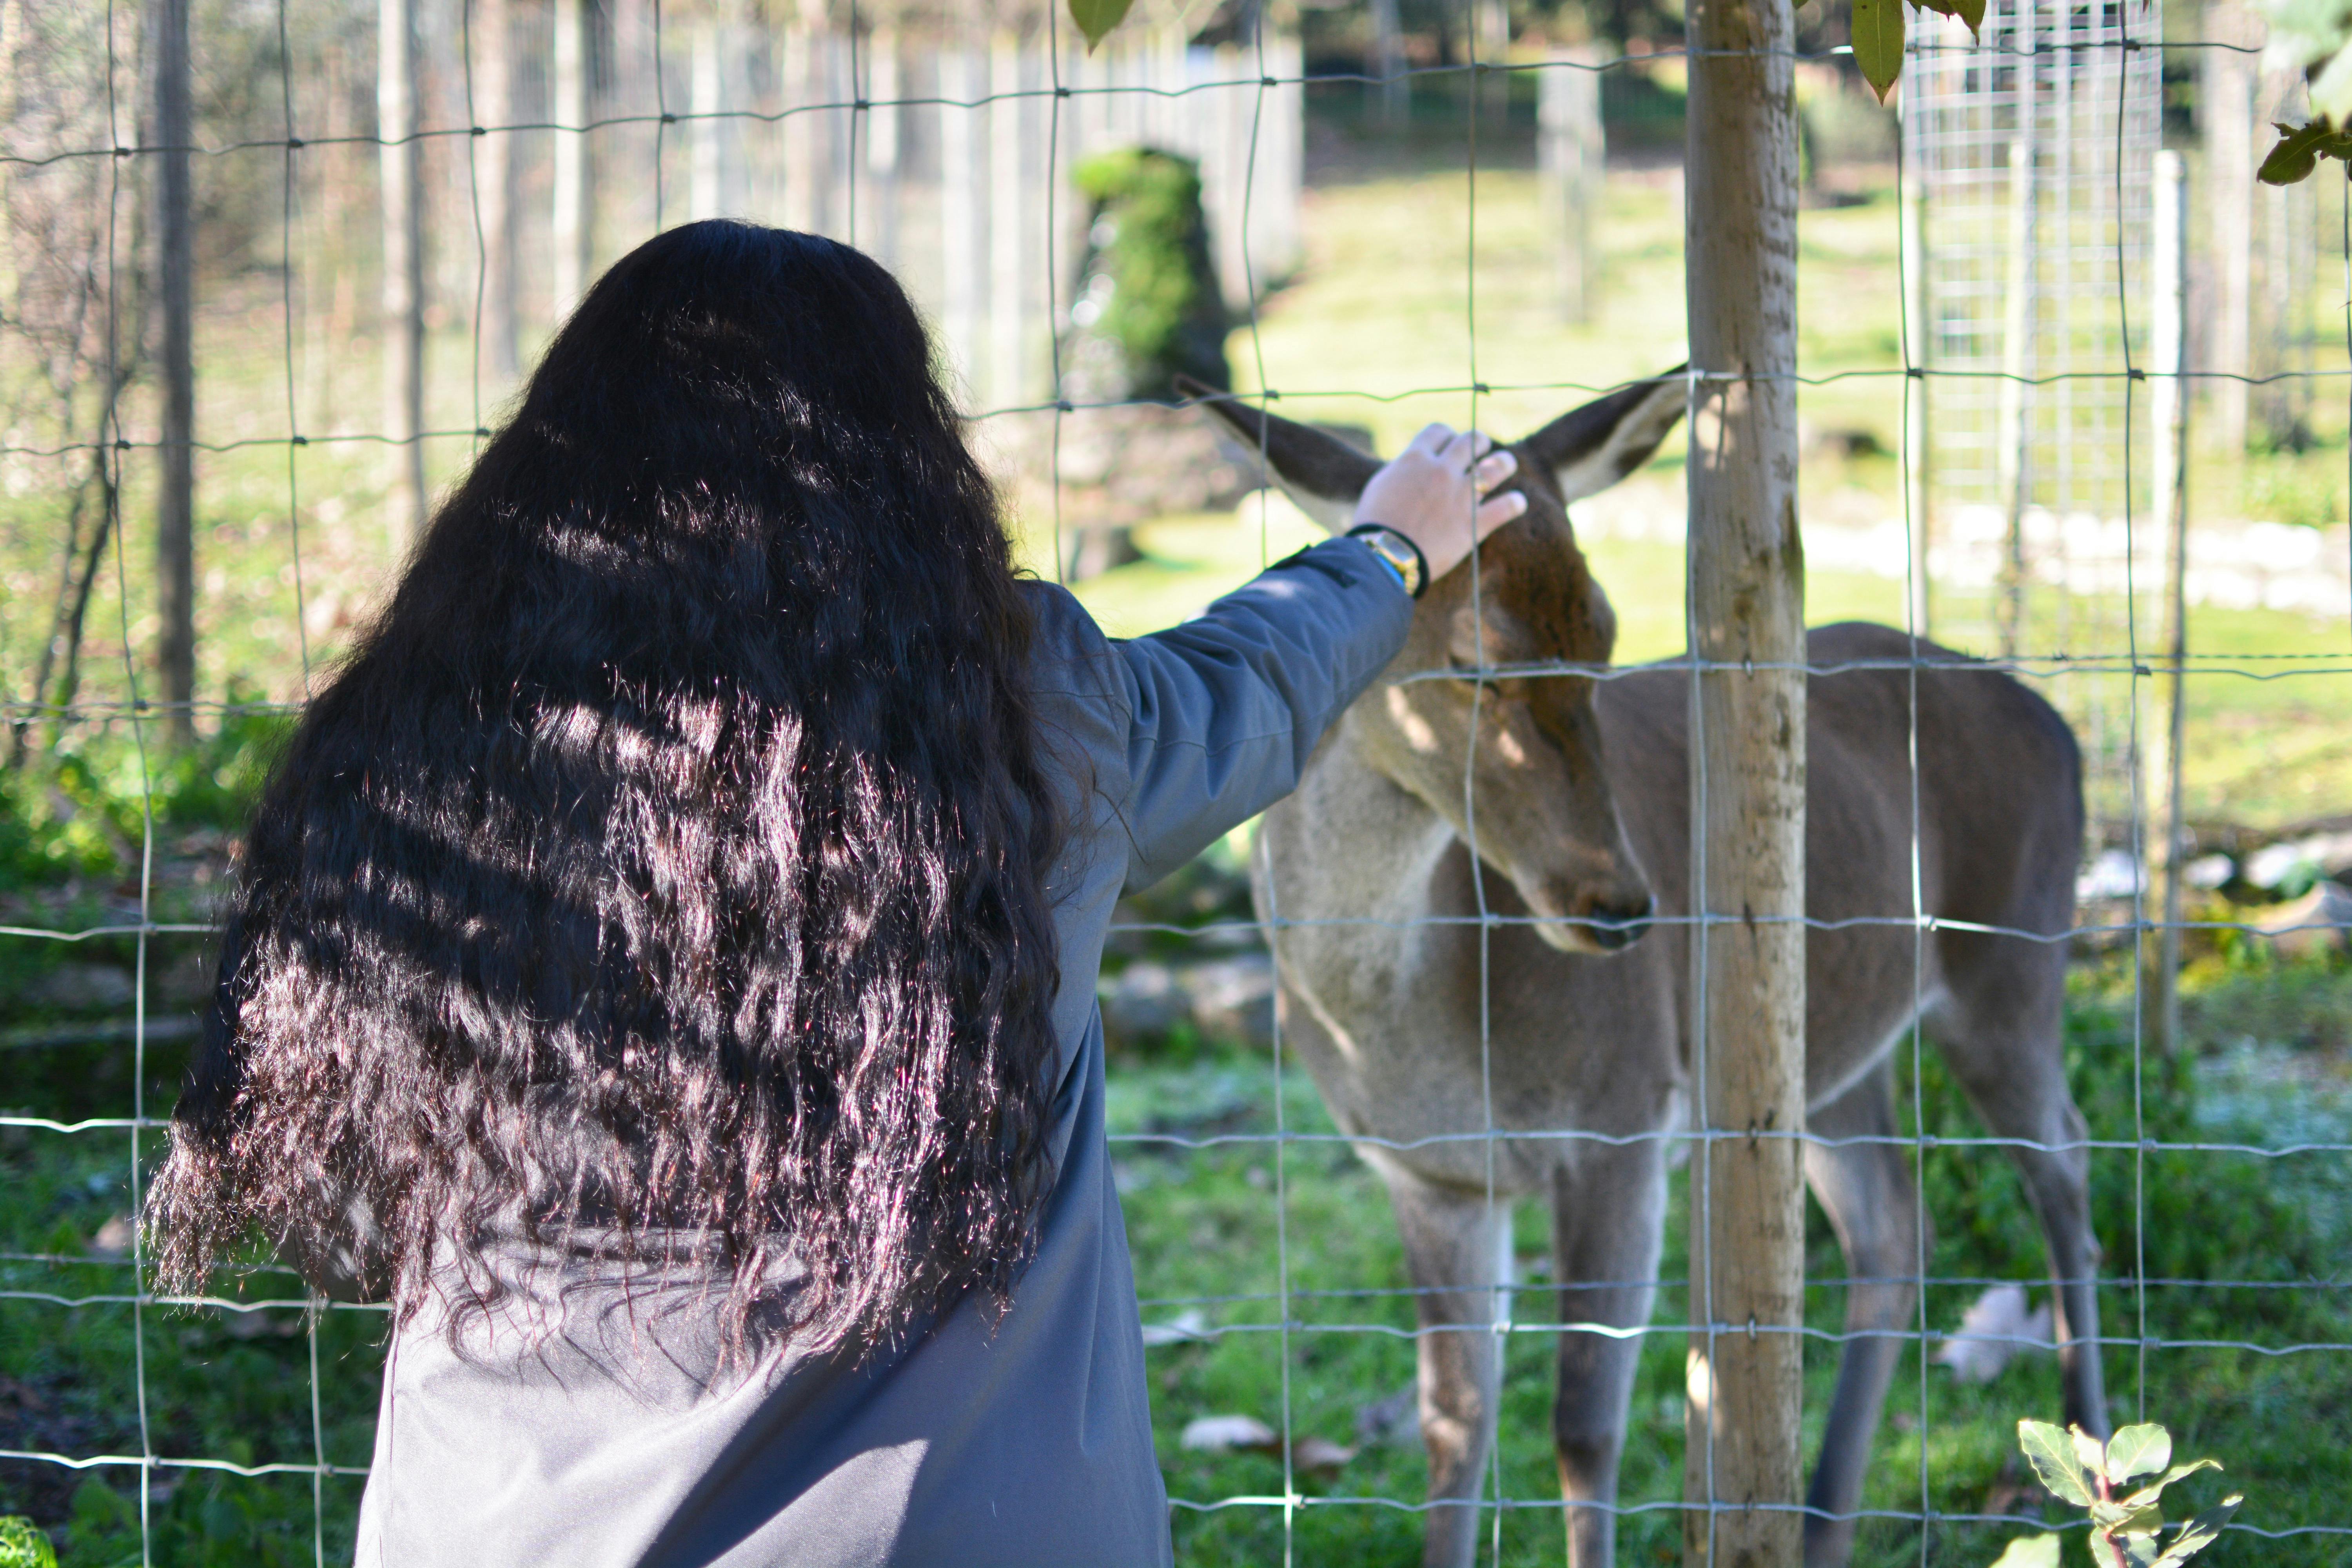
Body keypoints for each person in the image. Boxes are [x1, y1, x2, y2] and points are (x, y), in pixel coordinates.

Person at [149, 221, 1525, 1567]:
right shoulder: (1032, 719)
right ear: (906, 459)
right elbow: (1248, 684)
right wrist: (1387, 556)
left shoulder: (411, 745)